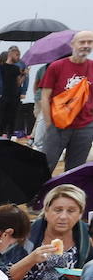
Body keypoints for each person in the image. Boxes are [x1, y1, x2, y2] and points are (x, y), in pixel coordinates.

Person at [0, 184, 90, 280]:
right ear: (46, 211)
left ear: (80, 214)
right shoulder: (24, 233)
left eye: (71, 211)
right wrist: (31, 259)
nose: (63, 217)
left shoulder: (86, 237)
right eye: (58, 210)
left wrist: (83, 278)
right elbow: (2, 278)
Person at [38, 29, 93, 173]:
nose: (86, 45)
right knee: (46, 164)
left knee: (76, 170)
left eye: (90, 42)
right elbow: (45, 96)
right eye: (82, 42)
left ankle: (69, 195)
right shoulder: (57, 66)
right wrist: (49, 123)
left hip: (84, 126)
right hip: (58, 125)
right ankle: (36, 195)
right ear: (72, 44)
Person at [0, 48, 25, 138]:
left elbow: (18, 83)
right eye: (17, 55)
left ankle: (5, 136)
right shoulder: (2, 67)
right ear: (11, 54)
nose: (18, 57)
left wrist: (23, 75)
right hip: (5, 96)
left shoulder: (14, 68)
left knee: (9, 119)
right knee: (1, 118)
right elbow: (18, 83)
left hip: (11, 96)